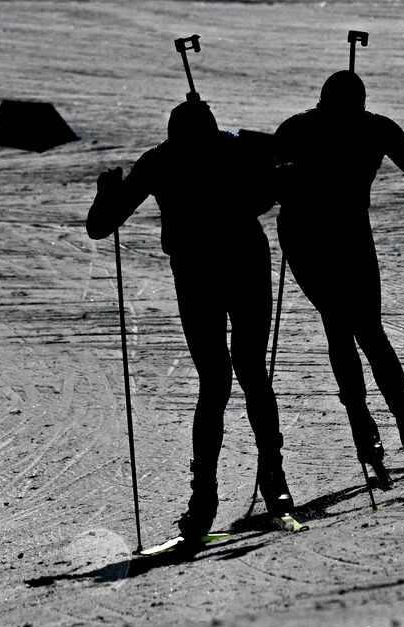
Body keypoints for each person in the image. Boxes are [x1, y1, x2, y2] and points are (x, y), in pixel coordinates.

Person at [86, 94, 294, 539]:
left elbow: (101, 225)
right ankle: (270, 481)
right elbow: (265, 198)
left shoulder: (161, 159)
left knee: (217, 382)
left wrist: (106, 197)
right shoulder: (233, 148)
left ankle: (207, 499)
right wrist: (276, 181)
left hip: (198, 273)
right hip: (241, 264)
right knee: (249, 374)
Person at [274, 70, 404, 488]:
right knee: (355, 328)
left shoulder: (304, 127)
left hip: (332, 237)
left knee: (352, 329)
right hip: (314, 239)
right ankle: (400, 434)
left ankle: (380, 433)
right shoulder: (368, 127)